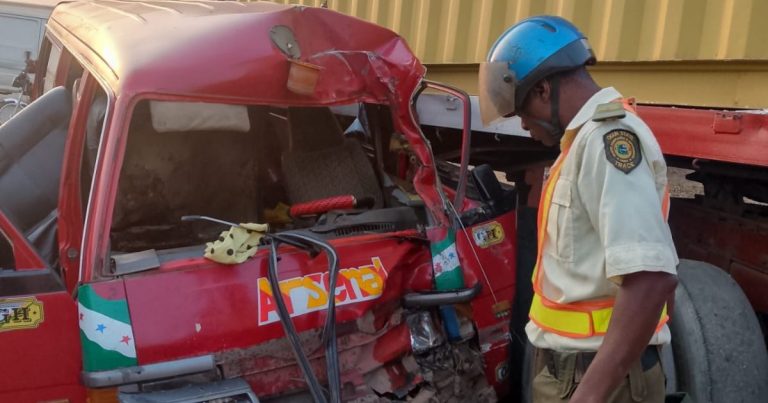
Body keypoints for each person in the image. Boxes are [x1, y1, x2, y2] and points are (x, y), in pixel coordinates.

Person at [478, 16, 679, 403]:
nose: (523, 124)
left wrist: (588, 395)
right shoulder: (582, 143)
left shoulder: (609, 141)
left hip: (596, 378)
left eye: (521, 110)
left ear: (542, 89)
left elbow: (652, 279)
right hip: (577, 369)